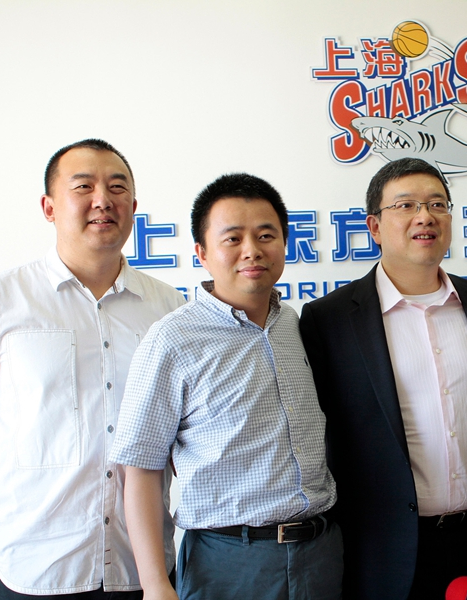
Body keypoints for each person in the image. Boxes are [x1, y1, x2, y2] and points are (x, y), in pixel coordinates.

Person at [0, 139, 186, 598]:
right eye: (83, 186)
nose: (103, 200)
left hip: (139, 566)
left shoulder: (168, 308)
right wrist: (7, 509)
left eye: (117, 188)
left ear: (133, 206)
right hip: (33, 564)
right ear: (49, 207)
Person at [299, 158, 467, 600]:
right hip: (383, 548)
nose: (425, 216)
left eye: (437, 204)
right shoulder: (329, 320)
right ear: (375, 226)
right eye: (406, 205)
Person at [110, 173, 340, 600]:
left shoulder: (293, 324)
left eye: (266, 235)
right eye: (232, 238)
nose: (252, 250)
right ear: (202, 252)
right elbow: (140, 468)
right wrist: (155, 584)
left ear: (285, 243)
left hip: (320, 552)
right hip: (229, 561)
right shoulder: (172, 340)